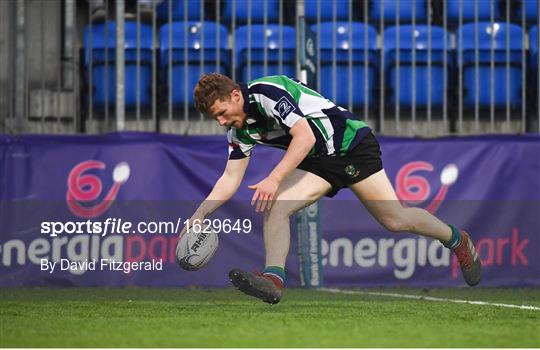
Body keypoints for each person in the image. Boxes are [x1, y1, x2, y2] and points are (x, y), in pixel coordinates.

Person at [180, 73, 482, 304]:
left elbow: (305, 136)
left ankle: (458, 240)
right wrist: (199, 214)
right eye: (215, 118)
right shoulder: (239, 130)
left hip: (350, 144)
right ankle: (274, 280)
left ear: (235, 95)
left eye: (221, 113)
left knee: (394, 219)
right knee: (276, 205)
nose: (221, 122)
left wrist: (274, 178)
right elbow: (230, 177)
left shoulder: (266, 93)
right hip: (318, 160)